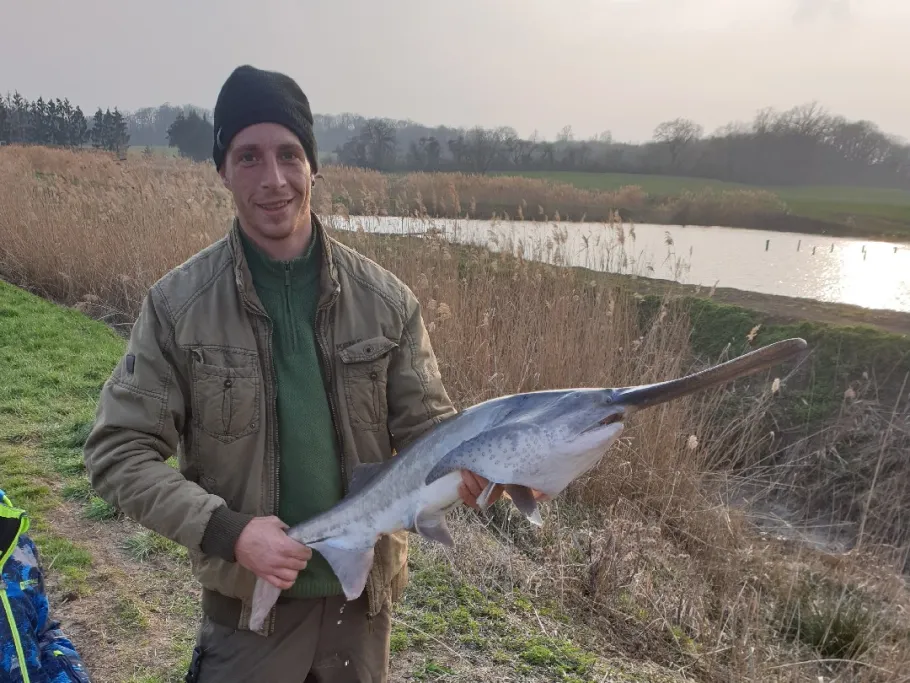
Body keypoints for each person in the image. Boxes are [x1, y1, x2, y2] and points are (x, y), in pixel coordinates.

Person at [82, 64, 505, 683]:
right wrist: (229, 532)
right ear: (222, 170)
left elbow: (429, 436)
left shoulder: (388, 303)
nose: (273, 179)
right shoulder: (178, 307)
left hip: (362, 617)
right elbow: (117, 452)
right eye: (248, 157)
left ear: (314, 164)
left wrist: (495, 469)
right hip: (249, 623)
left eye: (289, 154)